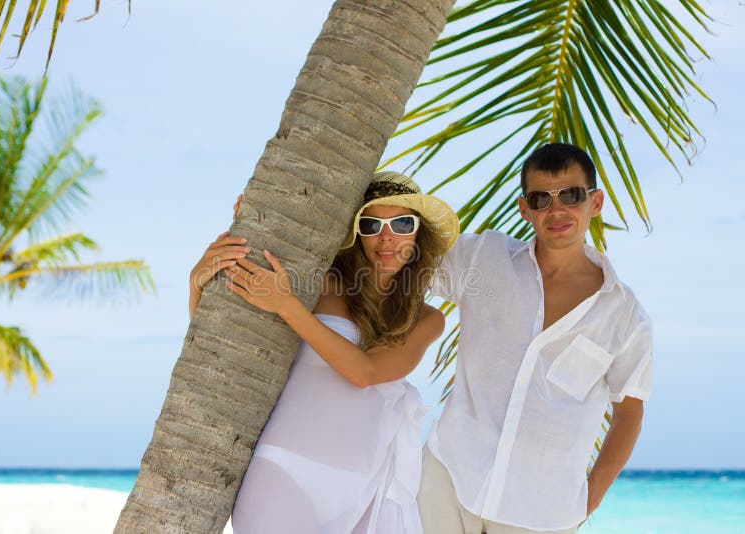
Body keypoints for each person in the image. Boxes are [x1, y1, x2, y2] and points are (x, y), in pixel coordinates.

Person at [188, 172, 460, 533]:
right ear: (356, 233)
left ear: (418, 233)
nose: (387, 236)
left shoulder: (426, 319)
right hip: (282, 471)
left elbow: (365, 373)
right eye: (371, 224)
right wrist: (198, 281)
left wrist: (287, 305)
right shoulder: (322, 284)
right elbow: (231, 342)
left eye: (402, 223)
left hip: (363, 487)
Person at [417, 143, 653, 534]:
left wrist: (585, 502)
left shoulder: (625, 315)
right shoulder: (483, 259)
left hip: (542, 514)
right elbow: (402, 266)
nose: (556, 210)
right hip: (449, 478)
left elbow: (629, 414)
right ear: (525, 209)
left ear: (595, 202)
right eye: (541, 199)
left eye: (571, 196)